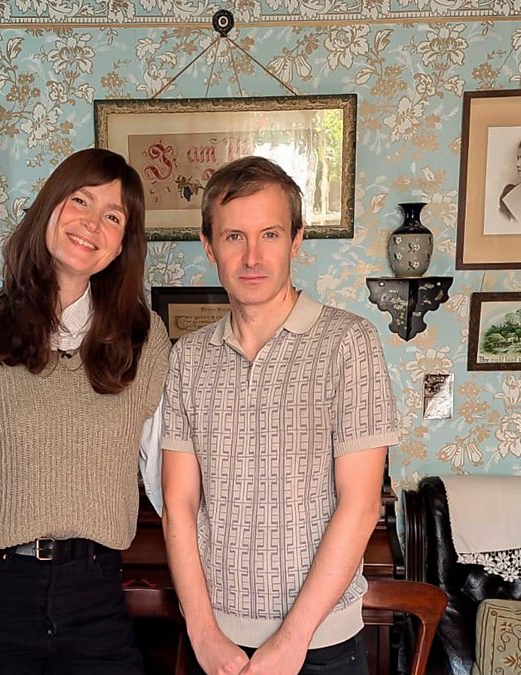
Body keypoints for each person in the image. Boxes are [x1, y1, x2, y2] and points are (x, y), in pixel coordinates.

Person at [0, 148, 170, 674]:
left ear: (122, 244)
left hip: (96, 595)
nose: (92, 224)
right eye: (81, 201)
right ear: (50, 207)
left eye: (113, 217)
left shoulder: (143, 340)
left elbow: (167, 476)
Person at [161, 156, 400, 675]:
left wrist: (292, 640)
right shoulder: (188, 357)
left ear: (295, 240)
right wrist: (202, 632)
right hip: (216, 643)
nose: (252, 257)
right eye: (234, 237)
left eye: (269, 234)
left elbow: (361, 506)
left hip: (321, 644)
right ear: (209, 246)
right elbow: (178, 504)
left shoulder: (348, 342)